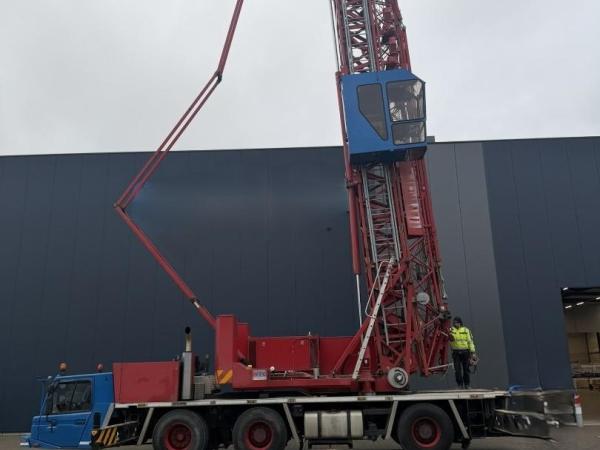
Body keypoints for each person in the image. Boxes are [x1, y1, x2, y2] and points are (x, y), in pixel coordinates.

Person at [450, 316, 476, 389]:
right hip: (456, 352)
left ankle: (467, 384)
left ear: (460, 323)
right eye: (454, 322)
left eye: (457, 322)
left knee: (466, 369)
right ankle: (460, 385)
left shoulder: (466, 330)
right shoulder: (451, 330)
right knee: (457, 370)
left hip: (465, 352)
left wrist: (473, 352)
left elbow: (470, 341)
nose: (456, 324)